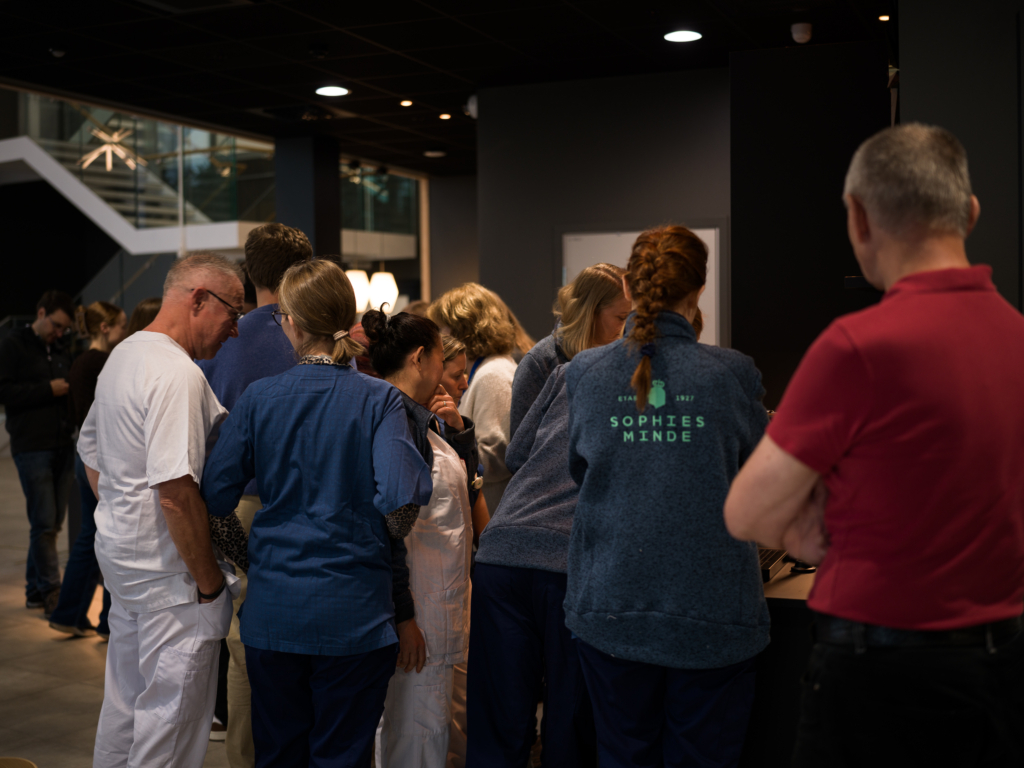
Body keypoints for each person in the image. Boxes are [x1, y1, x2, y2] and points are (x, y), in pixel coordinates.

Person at [724, 124, 1024, 766]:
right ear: (971, 213)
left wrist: (810, 534)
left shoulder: (858, 346)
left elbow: (747, 512)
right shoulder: (1018, 336)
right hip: (1001, 661)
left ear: (858, 218)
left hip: (878, 669)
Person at [200, 260, 433, 768]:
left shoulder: (260, 398)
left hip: (275, 610)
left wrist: (251, 558)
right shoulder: (380, 400)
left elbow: (213, 500)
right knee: (343, 756)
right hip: (356, 612)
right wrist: (370, 539)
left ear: (291, 323)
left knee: (278, 754)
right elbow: (401, 503)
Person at [563, 225, 769, 768]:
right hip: (712, 611)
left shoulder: (585, 373)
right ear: (698, 290)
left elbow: (580, 471)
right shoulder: (732, 374)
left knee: (621, 755)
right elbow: (763, 480)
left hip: (611, 606)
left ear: (628, 286)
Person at [79, 253, 245, 768]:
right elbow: (175, 491)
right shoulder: (176, 373)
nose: (235, 330)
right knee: (169, 732)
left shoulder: (124, 355)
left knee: (125, 712)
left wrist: (127, 513)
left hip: (127, 567)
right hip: (171, 583)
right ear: (199, 299)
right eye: (233, 313)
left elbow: (91, 455)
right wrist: (209, 585)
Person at [466, 265, 629, 768]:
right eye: (621, 317)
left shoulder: (566, 372)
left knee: (501, 719)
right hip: (562, 557)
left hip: (503, 551)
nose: (626, 328)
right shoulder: (565, 366)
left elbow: (522, 452)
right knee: (568, 718)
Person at [196, 222, 311, 768]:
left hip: (237, 501)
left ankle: (246, 757)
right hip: (307, 503)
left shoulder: (224, 339)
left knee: (245, 644)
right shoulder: (313, 338)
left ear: (248, 272)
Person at [363, 311, 475, 768]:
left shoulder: (419, 420)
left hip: (435, 603)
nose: (446, 371)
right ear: (419, 358)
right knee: (415, 732)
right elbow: (389, 527)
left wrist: (460, 435)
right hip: (419, 609)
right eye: (442, 359)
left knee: (421, 727)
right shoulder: (398, 425)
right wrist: (404, 614)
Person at [47, 301, 127, 639]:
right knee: (108, 538)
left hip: (86, 456)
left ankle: (71, 614)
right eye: (121, 325)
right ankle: (105, 620)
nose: (125, 331)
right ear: (105, 328)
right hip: (101, 459)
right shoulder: (103, 363)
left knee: (90, 536)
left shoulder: (81, 361)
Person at [0, 289, 76, 615]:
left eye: (64, 329)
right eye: (56, 325)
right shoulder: (13, 344)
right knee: (44, 523)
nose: (59, 333)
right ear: (41, 313)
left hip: (62, 444)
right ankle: (51, 590)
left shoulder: (60, 348)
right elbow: (4, 392)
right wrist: (48, 389)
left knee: (51, 523)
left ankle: (33, 590)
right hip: (32, 446)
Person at [510, 264, 628, 439]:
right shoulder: (540, 363)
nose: (628, 327)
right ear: (590, 312)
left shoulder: (626, 356)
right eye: (621, 317)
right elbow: (521, 446)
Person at [428, 283, 518, 514]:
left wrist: (447, 453)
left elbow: (497, 456)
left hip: (492, 507)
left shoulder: (493, 374)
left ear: (461, 328)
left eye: (443, 327)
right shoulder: (490, 368)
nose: (440, 336)